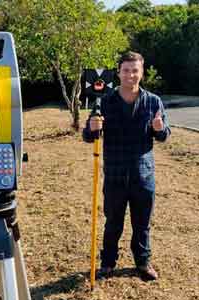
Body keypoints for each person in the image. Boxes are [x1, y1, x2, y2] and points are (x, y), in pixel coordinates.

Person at [83, 51, 171, 280]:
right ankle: (108, 263)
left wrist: (160, 129)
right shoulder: (105, 102)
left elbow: (164, 136)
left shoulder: (153, 101)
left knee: (142, 224)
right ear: (119, 72)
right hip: (114, 174)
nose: (131, 75)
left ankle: (143, 262)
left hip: (143, 175)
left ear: (141, 73)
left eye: (135, 70)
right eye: (126, 70)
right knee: (113, 222)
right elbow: (88, 135)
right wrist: (92, 127)